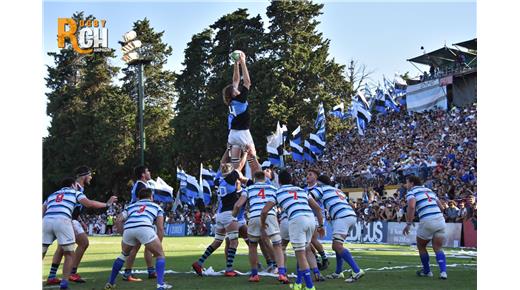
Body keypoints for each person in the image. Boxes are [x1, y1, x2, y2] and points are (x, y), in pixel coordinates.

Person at [42, 177, 117, 290]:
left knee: (42, 251)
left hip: (46, 221)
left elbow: (42, 210)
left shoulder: (52, 195)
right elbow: (89, 204)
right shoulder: (75, 192)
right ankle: (64, 283)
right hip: (63, 220)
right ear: (73, 185)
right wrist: (107, 204)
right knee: (69, 253)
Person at [261, 170, 325, 290]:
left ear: (279, 181)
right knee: (305, 251)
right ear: (291, 180)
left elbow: (265, 211)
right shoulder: (302, 190)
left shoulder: (277, 191)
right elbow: (317, 207)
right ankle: (299, 283)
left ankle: (310, 287)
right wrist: (321, 225)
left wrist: (263, 222)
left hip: (296, 220)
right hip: (311, 219)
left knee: (300, 254)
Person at [104, 188, 171, 290]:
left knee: (123, 255)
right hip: (145, 227)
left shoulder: (131, 206)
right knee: (160, 255)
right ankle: (160, 285)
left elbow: (118, 220)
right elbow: (160, 228)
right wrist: (158, 246)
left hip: (129, 229)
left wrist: (124, 234)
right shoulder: (157, 207)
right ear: (151, 197)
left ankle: (110, 283)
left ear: (138, 198)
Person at [192, 156, 248, 277]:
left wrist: (228, 151)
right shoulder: (230, 179)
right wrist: (245, 155)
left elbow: (222, 163)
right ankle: (229, 269)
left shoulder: (218, 181)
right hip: (229, 214)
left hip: (220, 214)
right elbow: (239, 166)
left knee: (217, 241)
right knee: (234, 242)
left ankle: (199, 262)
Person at [233, 170, 289, 284]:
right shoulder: (273, 188)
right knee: (277, 245)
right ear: (265, 178)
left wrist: (233, 216)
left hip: (253, 216)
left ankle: (254, 274)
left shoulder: (248, 189)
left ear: (254, 179)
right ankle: (282, 273)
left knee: (253, 246)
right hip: (270, 215)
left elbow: (238, 204)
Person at [310, 174, 365, 283]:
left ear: (319, 182)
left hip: (342, 217)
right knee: (337, 245)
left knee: (337, 246)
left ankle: (357, 270)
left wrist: (316, 208)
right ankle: (338, 272)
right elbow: (352, 204)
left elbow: (309, 196)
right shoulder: (338, 190)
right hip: (351, 215)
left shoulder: (321, 189)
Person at [45, 166, 93, 285]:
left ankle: (52, 275)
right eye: (90, 175)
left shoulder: (77, 187)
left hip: (65, 219)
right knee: (83, 243)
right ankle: (72, 272)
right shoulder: (76, 188)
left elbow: (73, 207)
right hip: (67, 220)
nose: (91, 177)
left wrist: (81, 220)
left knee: (62, 247)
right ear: (84, 176)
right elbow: (85, 204)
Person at [402, 175, 448, 280]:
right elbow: (441, 207)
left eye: (407, 182)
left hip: (427, 221)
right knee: (438, 247)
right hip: (440, 220)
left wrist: (409, 223)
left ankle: (427, 271)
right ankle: (443, 272)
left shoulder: (411, 192)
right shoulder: (429, 190)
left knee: (421, 246)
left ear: (412, 183)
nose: (406, 185)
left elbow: (412, 206)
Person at [122, 165, 157, 282]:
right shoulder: (141, 186)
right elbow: (140, 202)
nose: (149, 172)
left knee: (144, 246)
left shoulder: (142, 185)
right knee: (136, 247)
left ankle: (150, 271)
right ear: (143, 174)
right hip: (140, 218)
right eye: (147, 171)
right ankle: (129, 273)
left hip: (138, 218)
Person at [222, 50, 255, 170]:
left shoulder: (232, 101)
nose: (237, 88)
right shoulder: (241, 99)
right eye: (235, 89)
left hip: (232, 134)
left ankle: (233, 178)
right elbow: (247, 82)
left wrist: (236, 64)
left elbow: (235, 80)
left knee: (234, 161)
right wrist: (243, 63)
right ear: (234, 94)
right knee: (253, 157)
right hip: (242, 132)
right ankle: (256, 181)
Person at [304, 169, 329, 278]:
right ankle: (318, 259)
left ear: (316, 177)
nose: (307, 176)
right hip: (307, 216)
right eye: (307, 174)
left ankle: (324, 258)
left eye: (310, 174)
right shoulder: (303, 189)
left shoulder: (318, 189)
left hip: (316, 216)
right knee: (306, 241)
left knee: (312, 239)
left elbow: (318, 206)